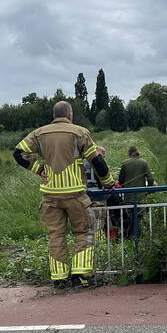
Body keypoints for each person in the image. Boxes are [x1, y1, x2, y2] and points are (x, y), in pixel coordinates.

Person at [14, 101, 115, 288]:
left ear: (54, 115)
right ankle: (81, 274)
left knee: (56, 235)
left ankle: (59, 278)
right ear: (70, 115)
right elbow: (97, 161)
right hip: (75, 194)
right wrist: (108, 183)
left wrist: (38, 169)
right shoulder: (80, 132)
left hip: (50, 195)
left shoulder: (39, 134)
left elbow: (19, 153)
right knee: (83, 232)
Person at [117, 146, 156, 240]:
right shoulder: (144, 163)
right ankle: (140, 237)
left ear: (129, 153)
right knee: (140, 217)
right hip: (141, 196)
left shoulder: (125, 163)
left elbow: (121, 180)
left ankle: (130, 237)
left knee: (130, 217)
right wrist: (149, 189)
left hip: (128, 196)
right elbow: (150, 179)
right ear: (137, 152)